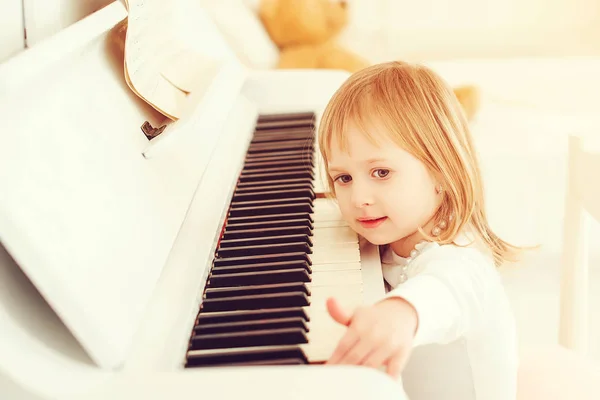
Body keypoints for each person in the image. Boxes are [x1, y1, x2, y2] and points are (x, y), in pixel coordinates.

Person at [317, 61, 521, 400]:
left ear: (441, 171)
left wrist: (402, 311)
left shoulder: (460, 254)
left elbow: (445, 290)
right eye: (344, 178)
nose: (359, 198)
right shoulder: (397, 223)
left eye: (381, 173)